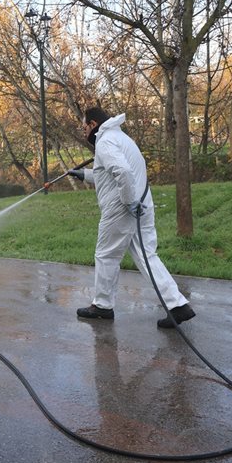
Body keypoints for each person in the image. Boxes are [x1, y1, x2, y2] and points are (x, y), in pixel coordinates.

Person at [67, 106, 195, 328]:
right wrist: (85, 175)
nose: (83, 131)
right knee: (147, 256)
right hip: (141, 203)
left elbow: (123, 173)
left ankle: (102, 306)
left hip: (123, 207)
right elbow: (112, 175)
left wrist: (128, 203)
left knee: (106, 255)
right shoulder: (120, 138)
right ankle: (178, 305)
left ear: (93, 125)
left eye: (84, 126)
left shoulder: (105, 142)